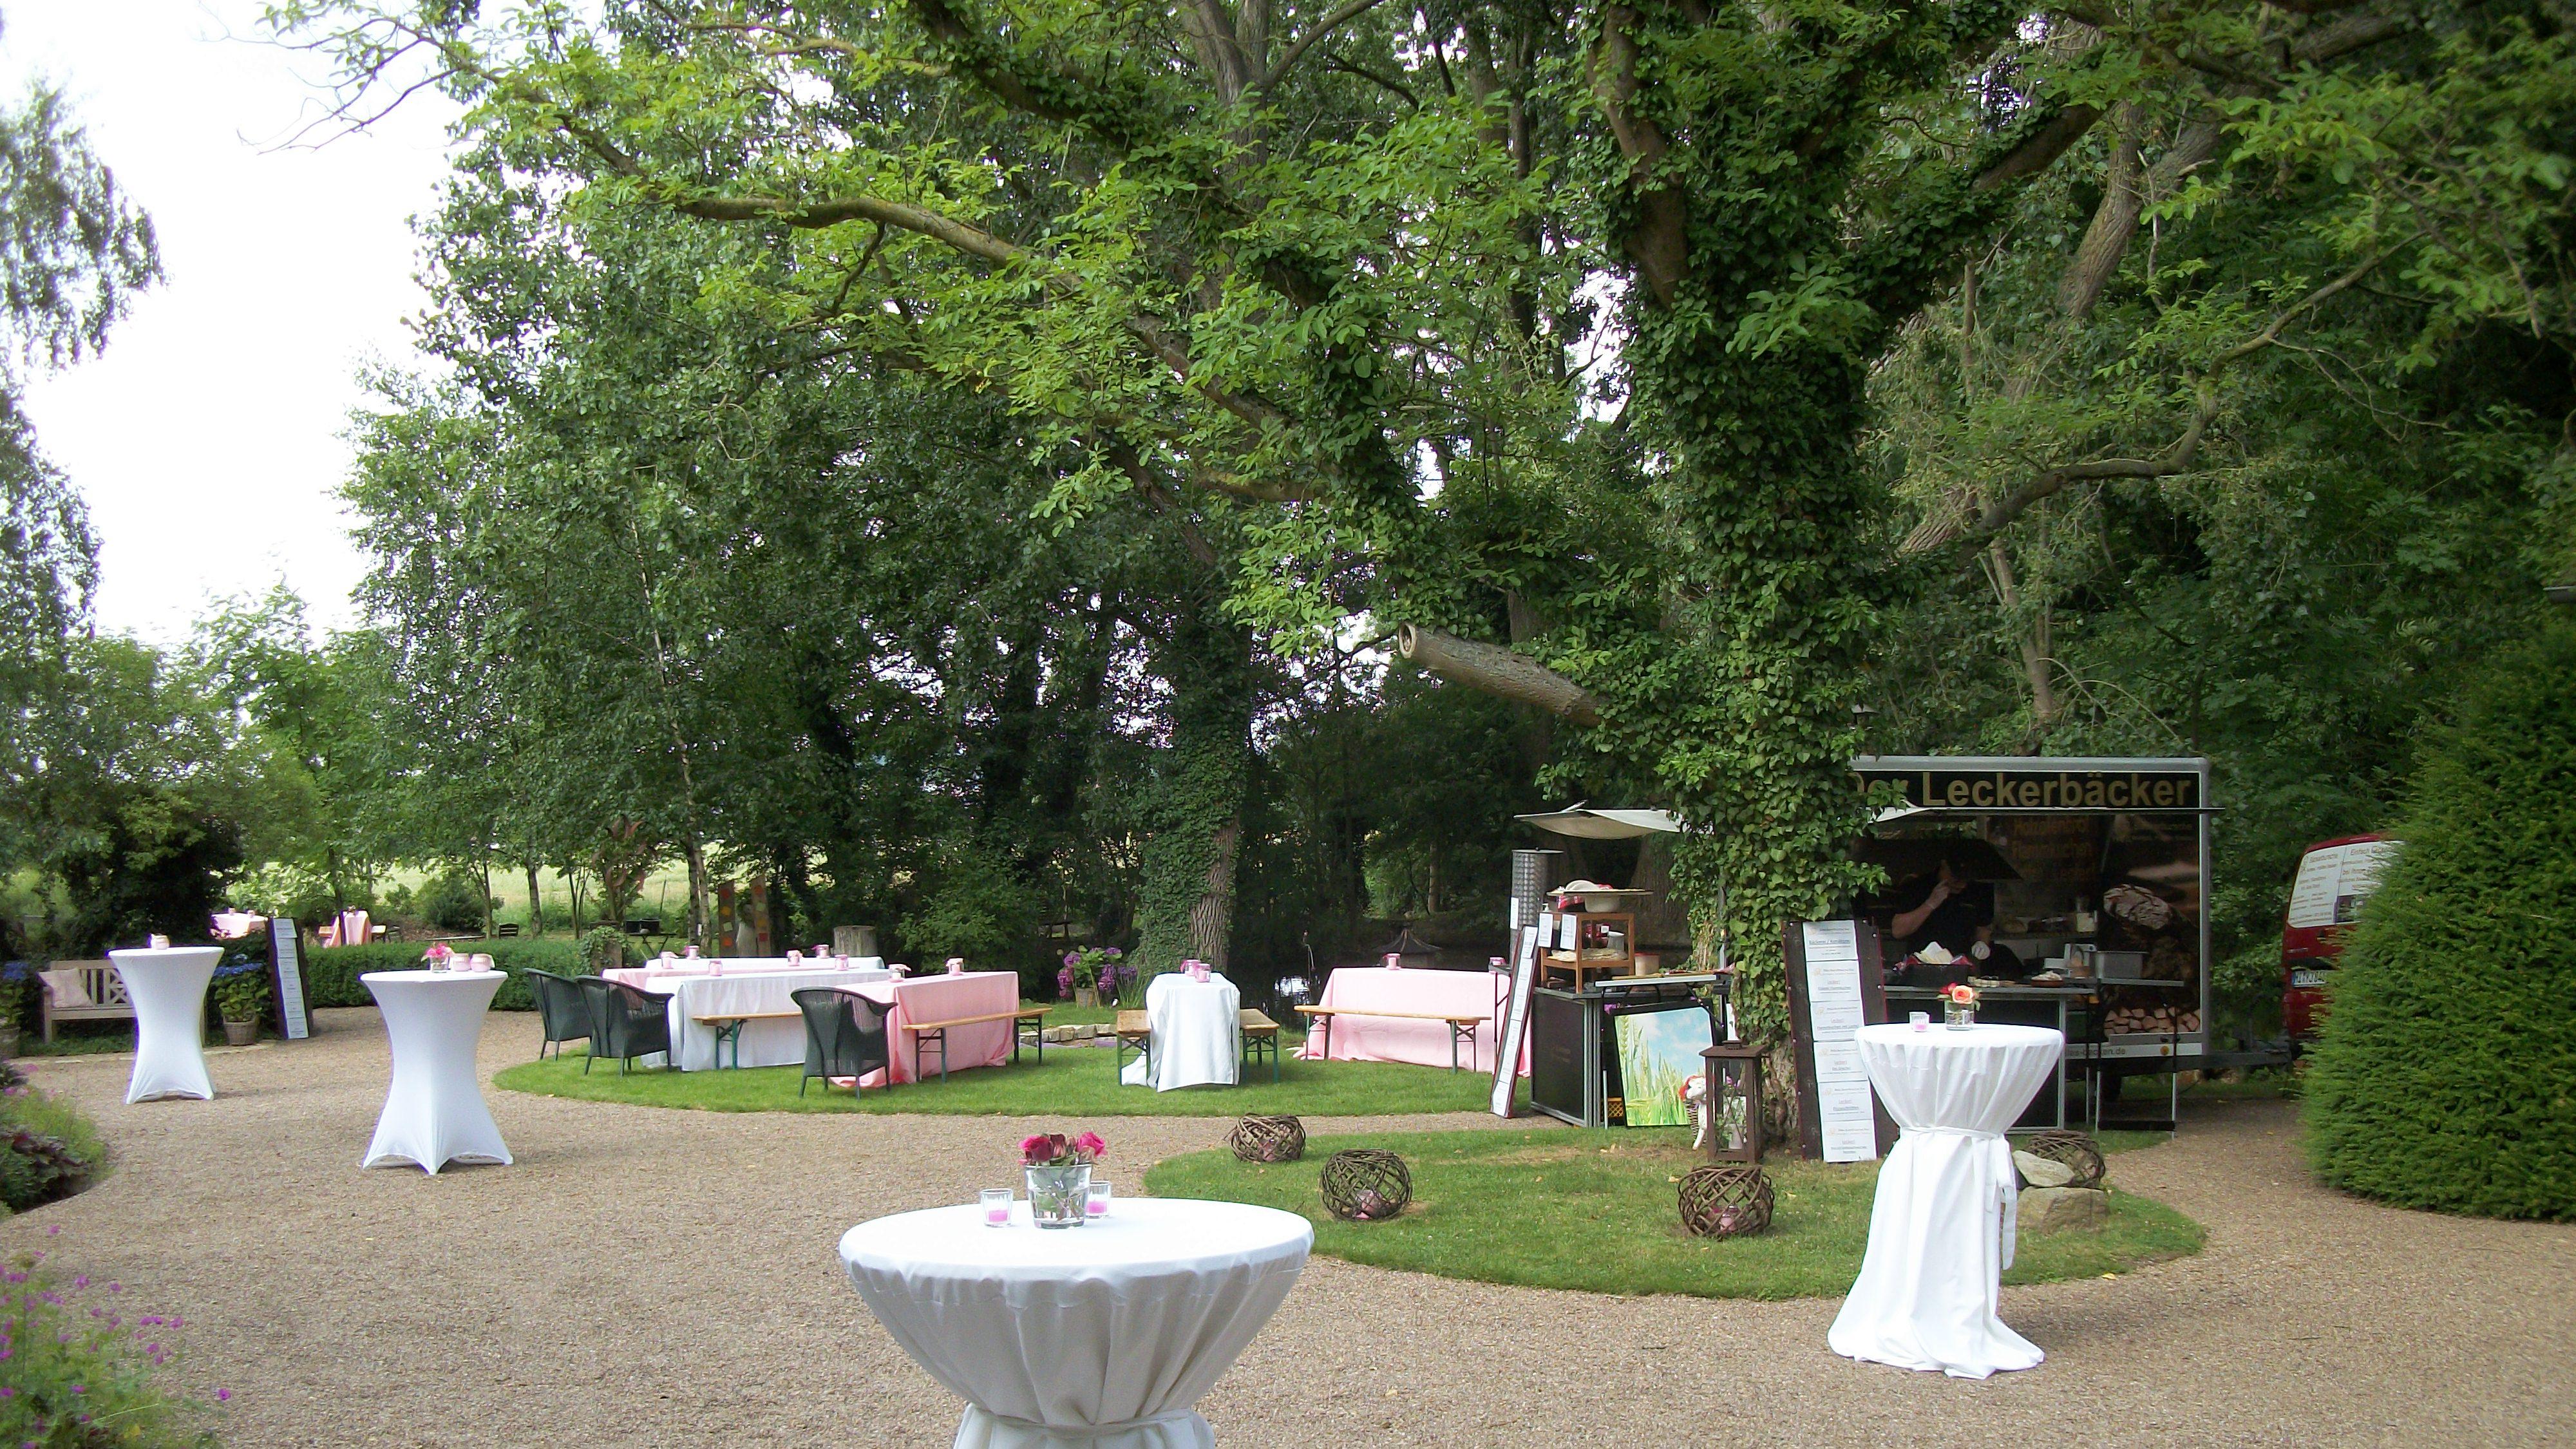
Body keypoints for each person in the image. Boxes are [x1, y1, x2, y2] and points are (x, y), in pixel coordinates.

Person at [1890, 853, 1996, 963]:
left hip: (1960, 963)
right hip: (1921, 962)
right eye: (1955, 877)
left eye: (1965, 879)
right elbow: (1898, 931)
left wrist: (1982, 943)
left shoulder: (1976, 891)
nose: (1961, 884)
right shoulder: (1918, 886)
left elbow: (1983, 927)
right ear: (1944, 865)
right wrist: (1930, 904)